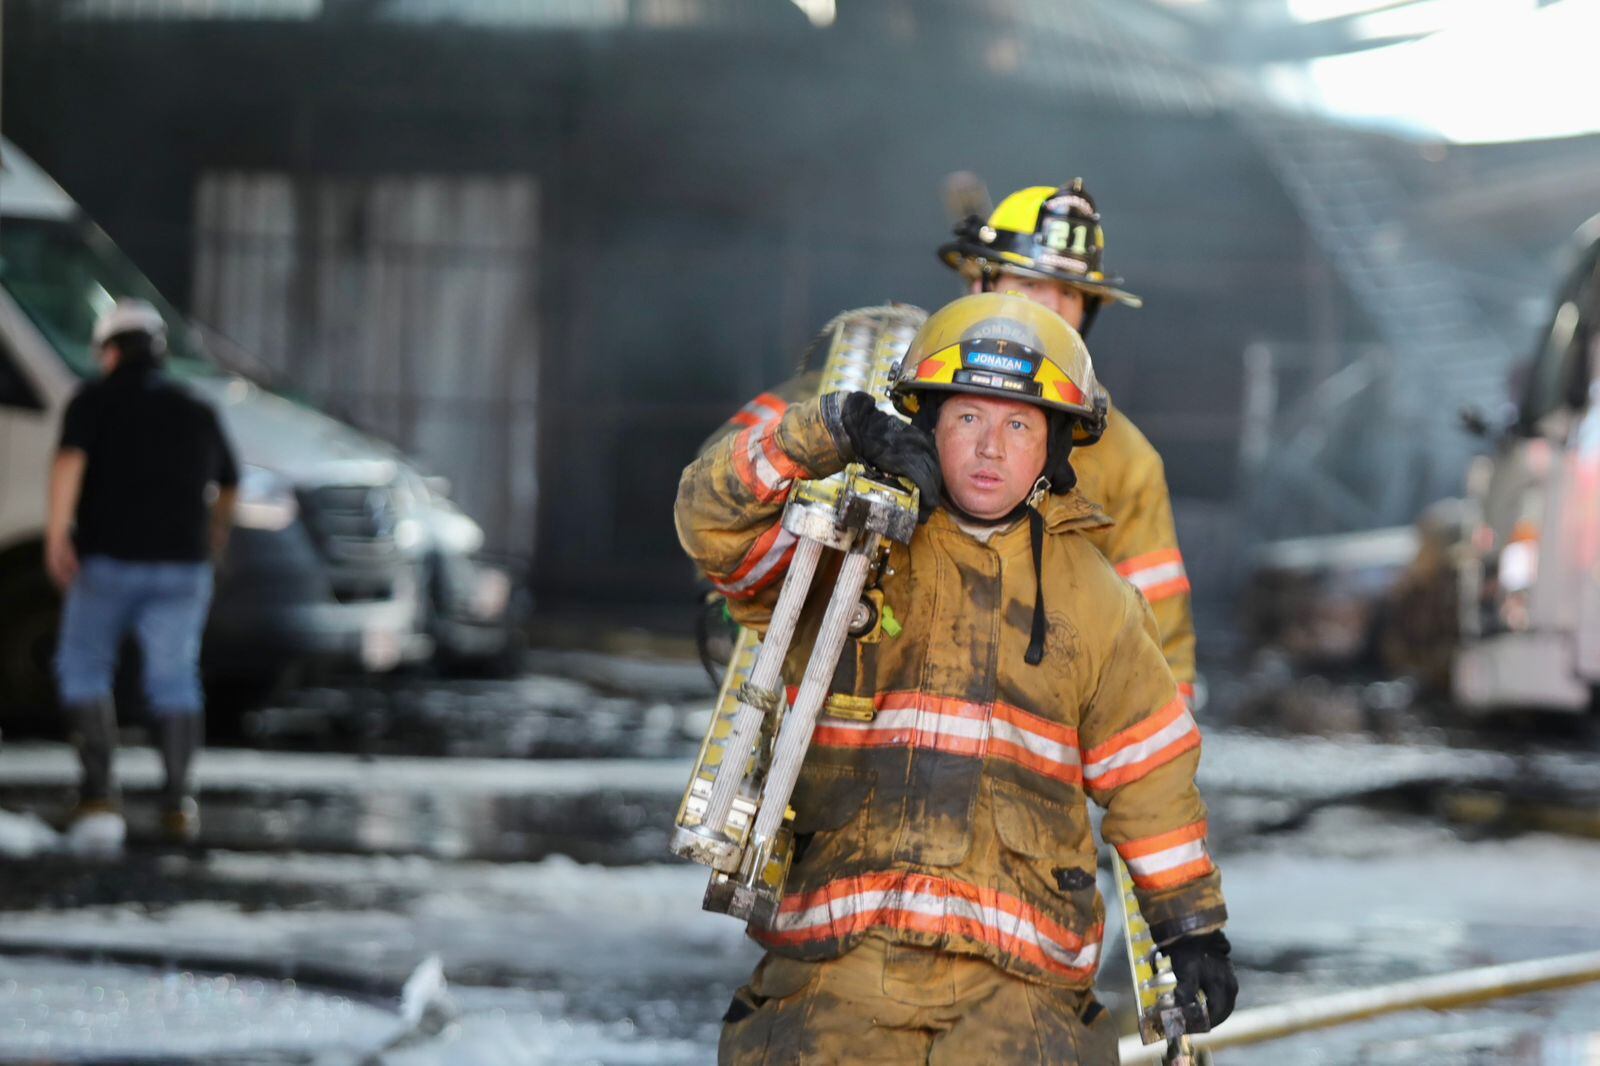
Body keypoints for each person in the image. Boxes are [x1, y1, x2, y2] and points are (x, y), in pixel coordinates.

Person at [677, 293, 1235, 1064]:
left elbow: (1149, 774)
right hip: (838, 980)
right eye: (968, 417)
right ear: (927, 423)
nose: (989, 448)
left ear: (1057, 448)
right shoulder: (841, 551)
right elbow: (709, 520)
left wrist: (1191, 927)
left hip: (1019, 998)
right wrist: (831, 430)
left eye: (1019, 425)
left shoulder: (1100, 604)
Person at [712, 180, 1198, 705]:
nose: (1052, 309)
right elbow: (724, 496)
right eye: (1030, 285)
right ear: (978, 284)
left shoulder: (1125, 456)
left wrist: (1163, 728)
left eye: (1071, 294)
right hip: (858, 694)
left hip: (1022, 712)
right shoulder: (884, 389)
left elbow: (1156, 618)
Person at [46, 298, 239, 853]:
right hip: (183, 567)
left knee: (83, 666)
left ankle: (99, 793)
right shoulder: (195, 407)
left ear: (109, 351)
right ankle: (179, 799)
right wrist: (216, 535)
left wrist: (58, 535)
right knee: (174, 676)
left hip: (106, 562)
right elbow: (229, 482)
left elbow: (68, 464)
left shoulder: (93, 401)